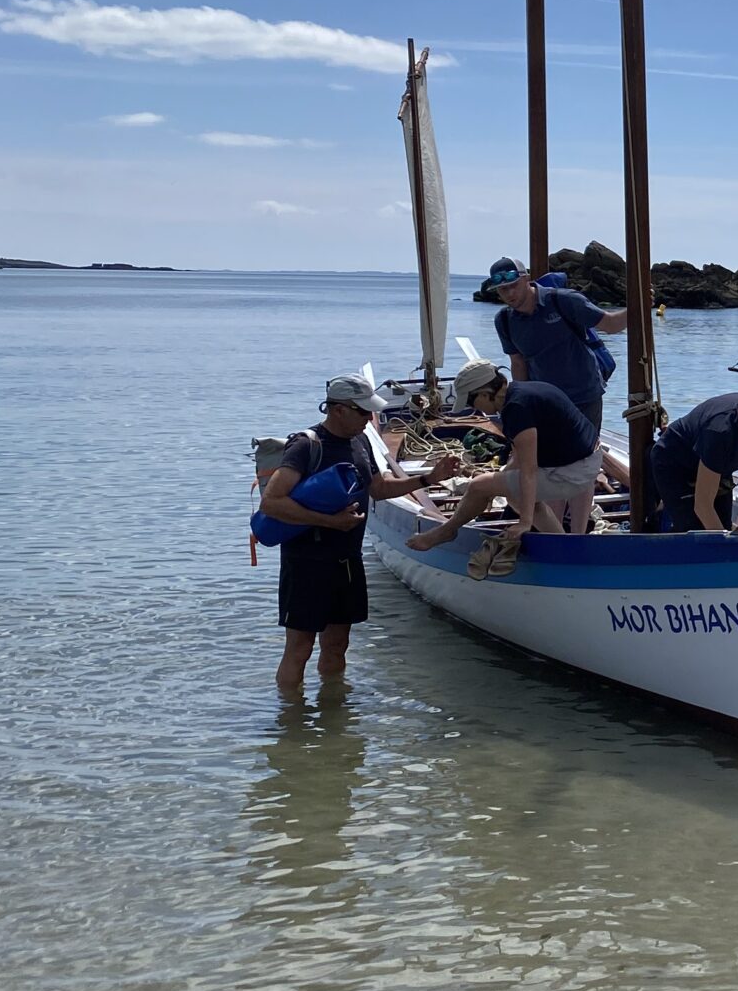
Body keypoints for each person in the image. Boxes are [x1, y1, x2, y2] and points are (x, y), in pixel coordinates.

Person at [262, 374, 459, 694]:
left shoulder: (361, 440)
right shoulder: (306, 445)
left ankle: (333, 709)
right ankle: (290, 715)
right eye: (363, 411)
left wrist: (428, 479)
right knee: (300, 647)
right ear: (338, 409)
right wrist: (329, 521)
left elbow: (379, 489)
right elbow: (271, 503)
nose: (369, 418)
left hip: (347, 560)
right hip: (307, 561)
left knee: (337, 644)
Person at [406, 359, 605, 554]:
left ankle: (447, 531)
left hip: (574, 471)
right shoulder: (521, 392)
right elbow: (518, 457)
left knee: (478, 486)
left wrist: (524, 522)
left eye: (470, 401)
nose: (474, 408)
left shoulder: (516, 408)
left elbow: (528, 470)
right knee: (508, 493)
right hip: (586, 461)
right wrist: (496, 485)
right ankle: (563, 546)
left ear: (485, 393)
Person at [487, 256, 625, 435]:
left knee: (586, 449)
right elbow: (518, 363)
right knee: (550, 451)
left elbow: (611, 325)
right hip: (544, 401)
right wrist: (521, 402)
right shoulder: (504, 320)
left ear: (526, 278)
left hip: (583, 396)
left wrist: (639, 306)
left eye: (514, 285)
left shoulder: (564, 300)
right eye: (503, 289)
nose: (510, 293)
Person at [649, 389, 738, 534]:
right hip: (674, 463)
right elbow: (703, 505)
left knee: (724, 524)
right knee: (697, 530)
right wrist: (725, 544)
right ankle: (657, 520)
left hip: (716, 465)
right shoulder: (719, 431)